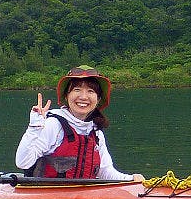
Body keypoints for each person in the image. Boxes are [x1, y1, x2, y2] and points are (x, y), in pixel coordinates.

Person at [15, 65, 144, 181]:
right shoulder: (53, 125)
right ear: (66, 96)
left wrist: (131, 179)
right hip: (46, 197)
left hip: (81, 197)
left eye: (90, 91)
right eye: (77, 90)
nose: (83, 97)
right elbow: (23, 162)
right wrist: (34, 127)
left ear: (98, 99)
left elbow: (105, 172)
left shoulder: (96, 133)